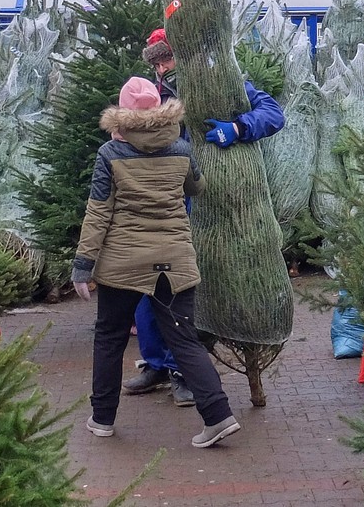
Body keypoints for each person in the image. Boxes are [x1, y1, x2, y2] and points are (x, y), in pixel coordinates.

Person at [72, 76, 240, 448]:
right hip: (174, 261)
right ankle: (219, 416)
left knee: (110, 338)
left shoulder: (110, 155)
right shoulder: (181, 148)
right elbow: (197, 187)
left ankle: (101, 419)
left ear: (121, 116)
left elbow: (98, 213)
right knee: (184, 339)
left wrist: (83, 265)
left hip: (122, 264)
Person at [123, 28, 285, 406]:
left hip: (213, 201)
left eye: (167, 58)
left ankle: (185, 369)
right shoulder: (155, 96)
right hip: (167, 202)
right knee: (151, 283)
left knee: (188, 289)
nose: (162, 68)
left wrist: (238, 128)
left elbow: (272, 114)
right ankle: (156, 363)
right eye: (157, 62)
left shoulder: (224, 84)